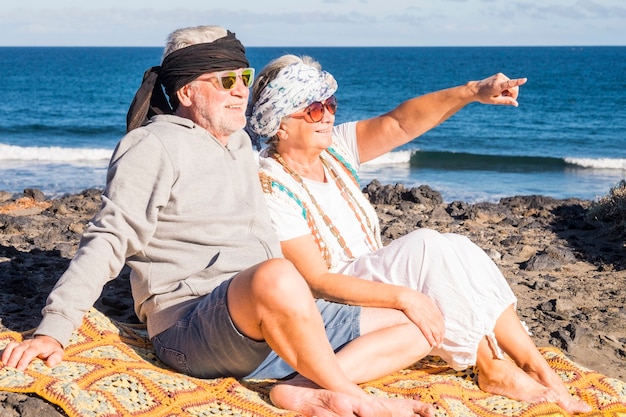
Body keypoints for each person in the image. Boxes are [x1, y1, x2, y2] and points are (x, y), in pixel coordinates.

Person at [0, 27, 435, 417]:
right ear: (187, 92)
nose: (239, 91)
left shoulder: (241, 145)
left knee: (424, 323)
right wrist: (53, 331)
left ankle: (303, 388)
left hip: (270, 322)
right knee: (279, 274)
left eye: (244, 78)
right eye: (224, 81)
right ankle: (350, 397)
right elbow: (109, 236)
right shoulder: (151, 145)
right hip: (191, 328)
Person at [247, 54, 592, 414]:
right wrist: (404, 298)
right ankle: (493, 368)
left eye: (330, 103)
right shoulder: (271, 184)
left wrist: (473, 91)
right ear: (280, 124)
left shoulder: (336, 150)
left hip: (367, 273)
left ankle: (539, 369)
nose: (329, 114)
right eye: (314, 110)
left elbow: (400, 123)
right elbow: (317, 280)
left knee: (459, 246)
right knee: (427, 245)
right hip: (332, 297)